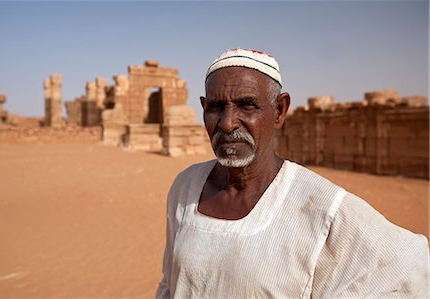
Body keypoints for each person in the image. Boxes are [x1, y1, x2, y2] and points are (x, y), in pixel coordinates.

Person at [156, 48, 429, 298]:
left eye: (247, 105)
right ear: (204, 108)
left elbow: (409, 269)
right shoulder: (186, 187)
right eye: (216, 107)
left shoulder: (323, 207)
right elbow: (171, 282)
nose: (227, 124)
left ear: (279, 110)